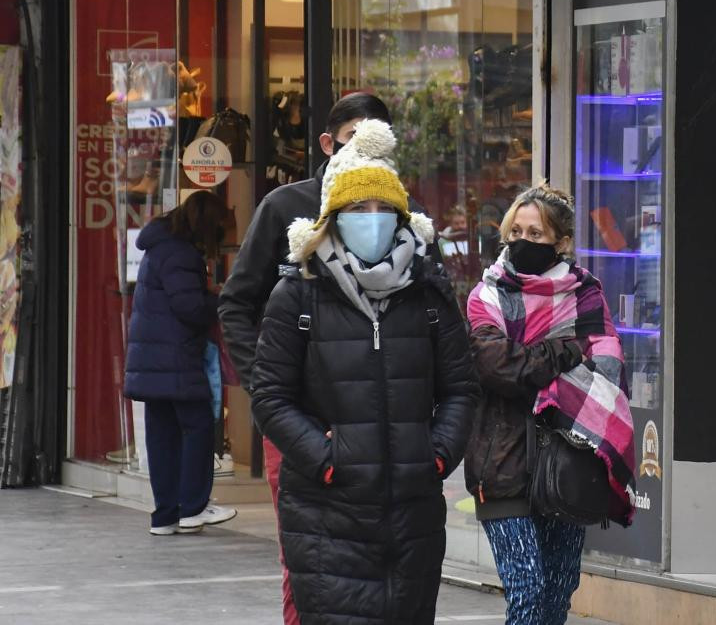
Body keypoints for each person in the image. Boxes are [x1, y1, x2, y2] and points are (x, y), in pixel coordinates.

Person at [250, 118, 479, 624]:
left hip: (412, 512)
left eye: (383, 210)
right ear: (333, 217)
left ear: (402, 219)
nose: (371, 219)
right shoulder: (298, 294)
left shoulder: (429, 293)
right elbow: (270, 396)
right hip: (325, 510)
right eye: (358, 209)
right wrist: (327, 458)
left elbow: (462, 388)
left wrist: (435, 455)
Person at [219, 93, 422, 625]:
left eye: (378, 142)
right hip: (304, 421)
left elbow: (437, 325)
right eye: (355, 139)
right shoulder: (285, 207)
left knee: (395, 559)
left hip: (388, 427)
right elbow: (238, 302)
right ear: (329, 143)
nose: (366, 155)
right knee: (309, 559)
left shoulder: (405, 215)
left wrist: (436, 439)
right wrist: (270, 392)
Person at [464, 184, 637, 625]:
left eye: (536, 234)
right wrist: (563, 353)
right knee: (527, 594)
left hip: (568, 462)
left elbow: (609, 368)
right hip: (502, 463)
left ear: (560, 242)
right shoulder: (486, 297)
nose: (523, 241)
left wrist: (533, 361)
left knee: (556, 599)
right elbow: (496, 367)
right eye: (516, 231)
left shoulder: (587, 296)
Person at [124, 190, 239, 535]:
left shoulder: (161, 247)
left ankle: (165, 516)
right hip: (176, 359)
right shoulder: (181, 253)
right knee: (198, 427)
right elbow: (189, 307)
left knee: (162, 436)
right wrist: (221, 302)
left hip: (153, 360)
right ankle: (193, 507)